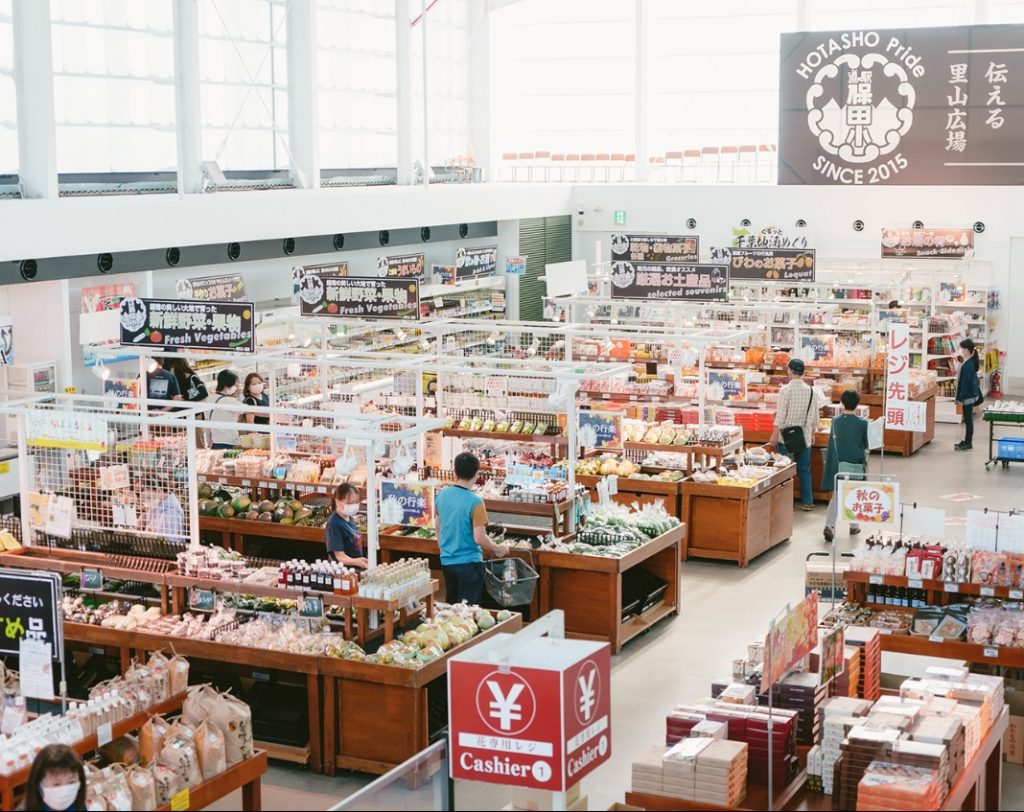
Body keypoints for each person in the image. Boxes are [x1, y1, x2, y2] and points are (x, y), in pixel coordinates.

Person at [435, 452, 507, 605]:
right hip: (469, 563)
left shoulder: (442, 494)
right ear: (477, 473)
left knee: (452, 608)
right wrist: (496, 548)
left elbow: (437, 524)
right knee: (469, 611)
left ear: (455, 471)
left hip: (447, 560)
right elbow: (479, 537)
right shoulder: (475, 501)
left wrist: (443, 548)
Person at [769, 358, 820, 512]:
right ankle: (808, 502)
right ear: (803, 372)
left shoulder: (785, 390)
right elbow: (815, 416)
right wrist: (812, 433)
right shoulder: (812, 391)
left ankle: (785, 501)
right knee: (804, 470)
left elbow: (781, 415)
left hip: (786, 437)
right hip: (803, 437)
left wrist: (774, 435)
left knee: (784, 469)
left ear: (790, 371)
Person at [822, 390, 869, 542]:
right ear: (857, 403)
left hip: (838, 464)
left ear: (842, 402)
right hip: (855, 463)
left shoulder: (835, 421)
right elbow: (867, 444)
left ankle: (830, 525)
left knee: (837, 495)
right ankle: (854, 526)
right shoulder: (862, 423)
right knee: (855, 494)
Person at [23, 744, 86, 811]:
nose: (65, 791)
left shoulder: (78, 805)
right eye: (56, 784)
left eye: (71, 782)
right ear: (38, 784)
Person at [325, 483, 368, 568]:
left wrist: (360, 560)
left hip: (356, 568)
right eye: (350, 502)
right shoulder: (334, 524)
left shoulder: (350, 518)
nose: (354, 505)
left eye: (356, 502)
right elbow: (339, 556)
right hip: (344, 573)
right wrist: (357, 562)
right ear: (337, 501)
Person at [955, 338, 982, 451]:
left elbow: (965, 383)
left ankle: (968, 442)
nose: (961, 350)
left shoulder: (968, 365)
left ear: (966, 350)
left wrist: (960, 398)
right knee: (968, 419)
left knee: (968, 420)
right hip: (971, 394)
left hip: (968, 396)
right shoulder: (969, 362)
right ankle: (967, 440)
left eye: (962, 348)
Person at [140, 477, 185, 541]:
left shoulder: (171, 511)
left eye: (148, 497)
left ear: (158, 491)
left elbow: (168, 541)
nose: (146, 502)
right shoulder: (157, 504)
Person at [207, 370, 242, 450]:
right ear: (227, 385)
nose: (235, 388)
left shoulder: (210, 399)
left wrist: (208, 438)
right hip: (229, 442)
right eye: (235, 385)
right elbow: (250, 410)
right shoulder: (228, 401)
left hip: (215, 441)